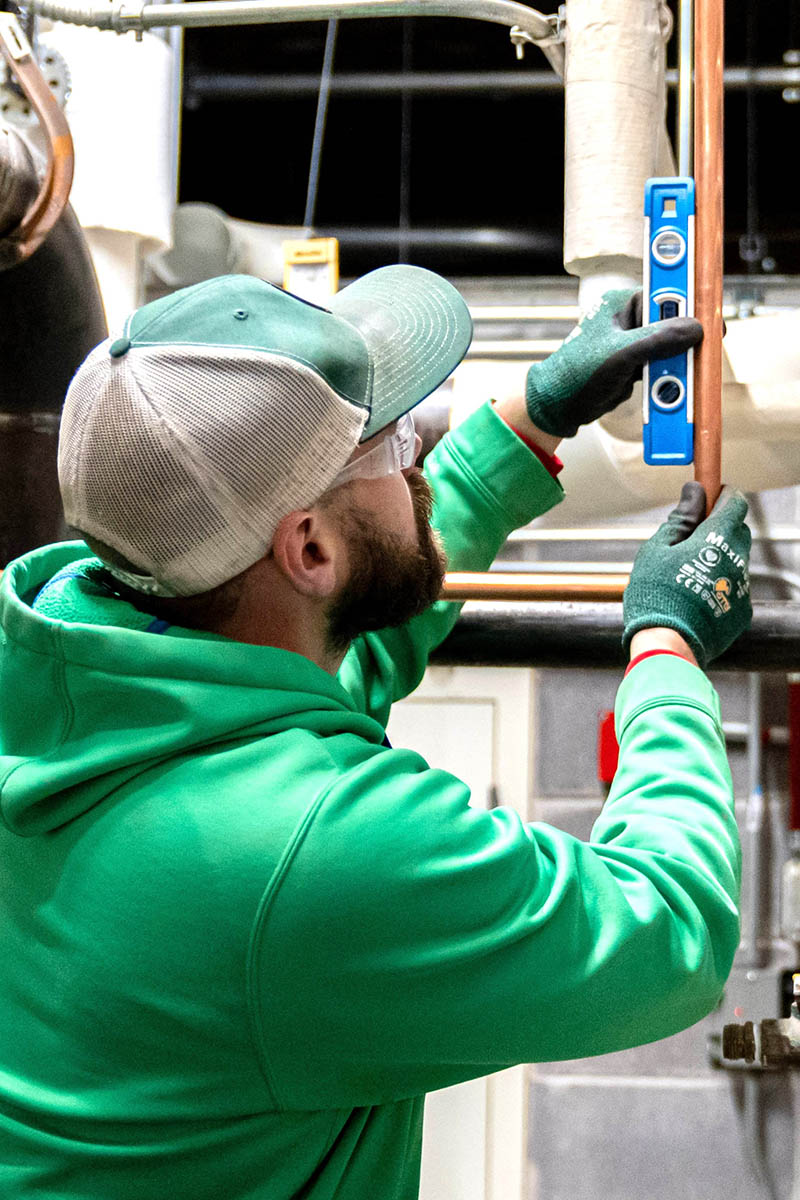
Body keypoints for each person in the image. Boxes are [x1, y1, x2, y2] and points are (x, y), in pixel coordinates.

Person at [0, 268, 751, 1200]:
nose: (414, 457)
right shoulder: (312, 852)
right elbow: (668, 931)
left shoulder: (68, 682)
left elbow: (330, 654)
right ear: (308, 547)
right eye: (395, 442)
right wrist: (669, 651)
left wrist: (529, 421)